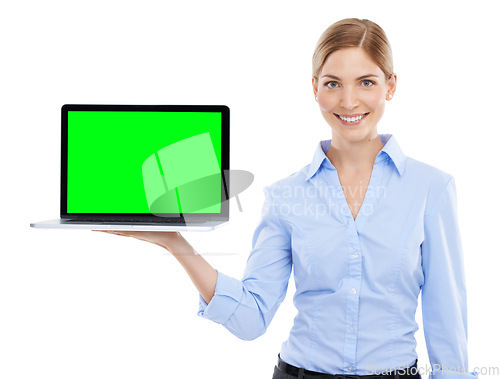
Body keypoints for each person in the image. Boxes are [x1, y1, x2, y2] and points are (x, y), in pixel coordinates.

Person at [98, 18, 478, 379]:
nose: (348, 101)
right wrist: (173, 241)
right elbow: (251, 318)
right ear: (314, 88)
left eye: (366, 82)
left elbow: (447, 318)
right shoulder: (286, 197)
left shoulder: (431, 188)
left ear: (390, 86)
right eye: (332, 84)